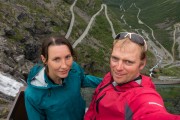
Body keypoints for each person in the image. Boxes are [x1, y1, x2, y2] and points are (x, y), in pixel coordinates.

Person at [84, 32, 180, 120]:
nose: (118, 67)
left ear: (142, 64)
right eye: (115, 58)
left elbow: (152, 113)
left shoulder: (142, 96)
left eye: (128, 62)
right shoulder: (109, 77)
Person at [24, 36, 102, 120]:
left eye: (67, 57)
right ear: (44, 59)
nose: (64, 66)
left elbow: (82, 79)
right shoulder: (33, 94)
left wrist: (108, 81)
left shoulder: (73, 68)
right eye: (57, 59)